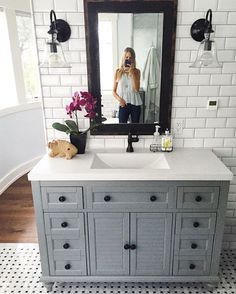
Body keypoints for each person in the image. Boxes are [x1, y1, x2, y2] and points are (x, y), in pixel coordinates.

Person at [112, 47, 142, 123]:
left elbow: (136, 89)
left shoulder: (137, 72)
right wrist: (120, 100)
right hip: (123, 103)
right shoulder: (118, 72)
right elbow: (113, 91)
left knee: (135, 129)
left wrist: (132, 73)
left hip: (135, 103)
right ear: (123, 58)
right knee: (122, 128)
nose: (128, 59)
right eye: (126, 57)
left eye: (130, 58)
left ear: (133, 59)